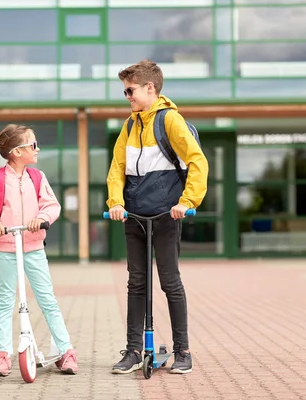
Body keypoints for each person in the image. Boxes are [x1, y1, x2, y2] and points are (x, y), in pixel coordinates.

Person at [106, 59, 209, 374]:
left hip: (166, 215)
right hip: (135, 217)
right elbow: (117, 169)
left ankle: (183, 351)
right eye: (125, 91)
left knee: (170, 282)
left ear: (149, 88)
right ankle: (134, 351)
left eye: (130, 90)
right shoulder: (130, 125)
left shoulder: (170, 121)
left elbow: (198, 162)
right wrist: (115, 202)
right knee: (136, 283)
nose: (127, 97)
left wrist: (187, 200)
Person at [0, 124, 78, 377]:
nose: (37, 148)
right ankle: (3, 355)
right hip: (7, 248)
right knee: (6, 301)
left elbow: (52, 205)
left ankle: (66, 351)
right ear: (17, 152)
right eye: (32, 144)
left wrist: (42, 218)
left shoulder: (37, 178)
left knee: (47, 299)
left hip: (32, 247)